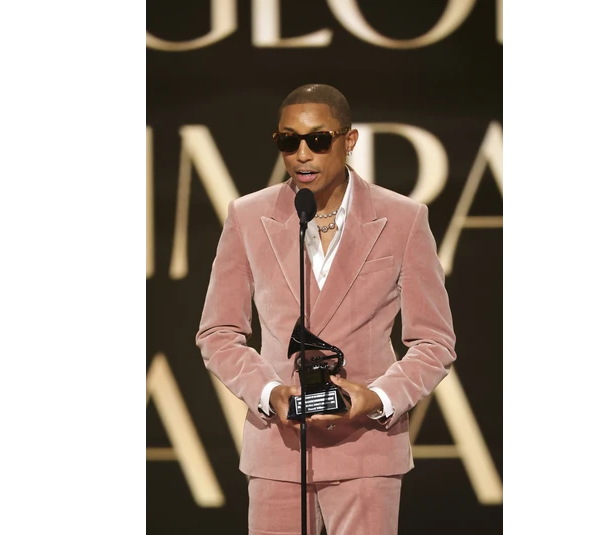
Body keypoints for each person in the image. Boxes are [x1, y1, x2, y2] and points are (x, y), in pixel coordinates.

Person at [196, 83, 457, 535]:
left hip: (366, 448)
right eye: (288, 141)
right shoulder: (247, 216)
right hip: (278, 449)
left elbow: (434, 341)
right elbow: (217, 332)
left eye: (317, 140)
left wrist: (377, 397)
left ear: (348, 141)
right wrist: (268, 392)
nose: (302, 154)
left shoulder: (403, 218)